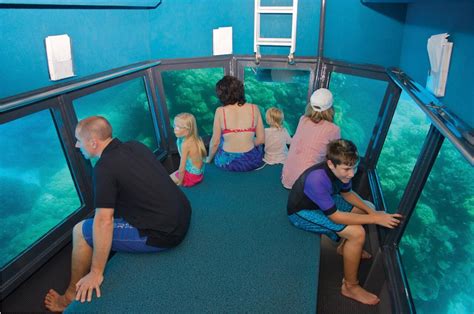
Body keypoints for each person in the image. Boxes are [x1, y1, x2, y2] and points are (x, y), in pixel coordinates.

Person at [44, 116, 191, 312]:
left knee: (80, 230)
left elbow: (104, 221)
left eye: (79, 140)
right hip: (182, 212)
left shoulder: (104, 168)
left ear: (93, 143)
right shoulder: (135, 145)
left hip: (166, 233)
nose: (77, 145)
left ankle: (69, 297)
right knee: (103, 216)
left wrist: (96, 272)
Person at [287, 139, 402, 305]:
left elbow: (348, 194)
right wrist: (376, 218)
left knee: (367, 206)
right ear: (331, 164)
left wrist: (373, 212)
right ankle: (350, 286)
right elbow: (336, 217)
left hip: (322, 204)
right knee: (357, 233)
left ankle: (345, 248)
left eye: (355, 167)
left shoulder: (342, 172)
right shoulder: (317, 179)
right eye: (347, 169)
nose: (352, 174)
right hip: (302, 212)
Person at [281, 88, 340, 189]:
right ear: (330, 108)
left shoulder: (303, 119)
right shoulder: (333, 129)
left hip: (287, 177)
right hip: (306, 183)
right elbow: (334, 156)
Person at [206, 75, 265, 171]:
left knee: (221, 138)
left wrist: (209, 159)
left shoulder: (220, 111)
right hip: (251, 162)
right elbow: (261, 139)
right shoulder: (254, 108)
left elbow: (215, 142)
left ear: (221, 94)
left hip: (227, 163)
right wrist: (247, 140)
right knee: (256, 142)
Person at [170, 113, 206, 187]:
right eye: (174, 125)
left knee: (166, 180)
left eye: (179, 127)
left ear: (188, 129)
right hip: (199, 173)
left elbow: (182, 166)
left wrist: (180, 182)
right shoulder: (196, 137)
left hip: (192, 176)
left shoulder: (186, 144)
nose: (175, 129)